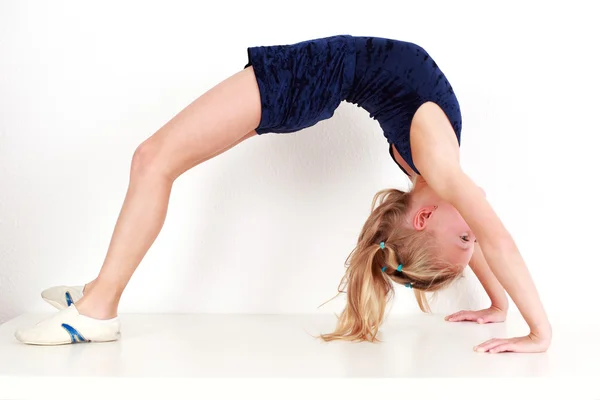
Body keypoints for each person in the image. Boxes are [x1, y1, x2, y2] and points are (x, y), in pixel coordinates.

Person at [14, 35, 551, 353]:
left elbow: (487, 236)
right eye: (469, 237)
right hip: (314, 81)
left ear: (423, 216)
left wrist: (535, 330)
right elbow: (491, 236)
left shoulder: (434, 170)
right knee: (157, 161)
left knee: (153, 160)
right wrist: (503, 307)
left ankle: (98, 310)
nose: (477, 227)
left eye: (466, 235)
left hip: (308, 78)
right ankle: (98, 288)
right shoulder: (436, 168)